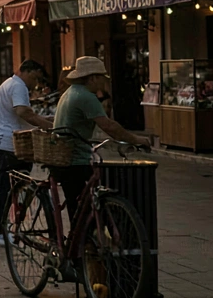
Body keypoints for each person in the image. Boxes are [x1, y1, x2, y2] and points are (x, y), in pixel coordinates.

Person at [49, 57, 151, 223]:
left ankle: (85, 243)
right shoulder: (85, 96)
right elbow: (109, 126)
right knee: (84, 211)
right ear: (93, 77)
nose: (104, 82)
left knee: (81, 208)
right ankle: (82, 244)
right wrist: (136, 139)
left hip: (65, 158)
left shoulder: (70, 91)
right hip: (74, 160)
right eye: (102, 78)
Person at [0, 60, 52, 244]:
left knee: (12, 186)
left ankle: (9, 227)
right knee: (6, 187)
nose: (35, 84)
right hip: (6, 143)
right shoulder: (18, 86)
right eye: (35, 78)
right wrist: (48, 125)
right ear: (27, 72)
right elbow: (23, 111)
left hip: (2, 140)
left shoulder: (10, 84)